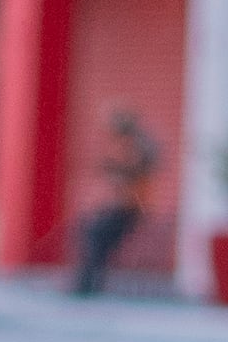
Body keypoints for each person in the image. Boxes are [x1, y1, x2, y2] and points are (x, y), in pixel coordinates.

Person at [70, 106, 166, 297]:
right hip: (120, 208)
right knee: (89, 228)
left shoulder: (139, 146)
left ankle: (89, 282)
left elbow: (138, 169)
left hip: (132, 209)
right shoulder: (127, 146)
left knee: (98, 233)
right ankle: (88, 279)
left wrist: (117, 169)